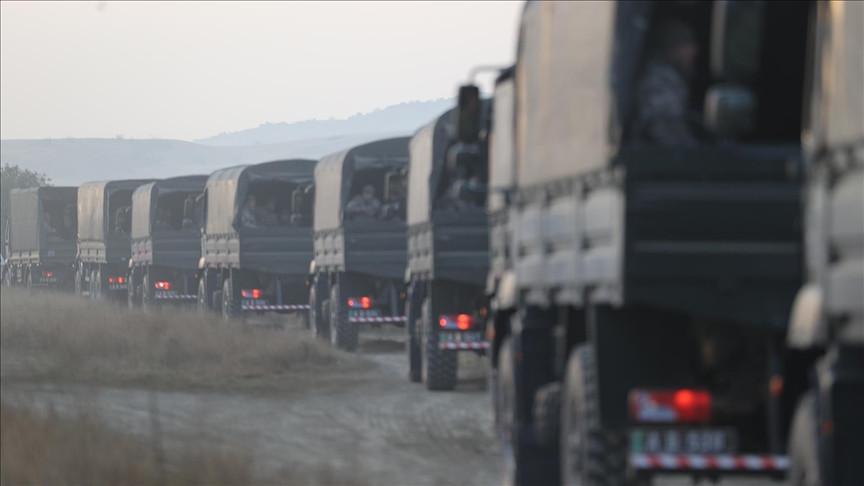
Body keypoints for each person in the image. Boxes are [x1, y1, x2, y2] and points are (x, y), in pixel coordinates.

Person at [633, 19, 700, 147]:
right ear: (670, 49)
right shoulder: (658, 82)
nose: (693, 51)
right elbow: (666, 132)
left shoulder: (670, 80)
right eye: (686, 45)